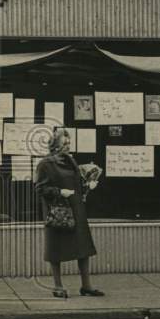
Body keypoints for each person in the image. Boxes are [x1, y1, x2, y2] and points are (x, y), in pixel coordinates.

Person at [34, 127, 103, 298]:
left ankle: (86, 286)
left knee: (83, 248)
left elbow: (76, 184)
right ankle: (58, 286)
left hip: (76, 209)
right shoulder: (45, 164)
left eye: (69, 142)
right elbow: (40, 188)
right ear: (55, 144)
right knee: (56, 250)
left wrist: (88, 185)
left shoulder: (71, 161)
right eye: (65, 143)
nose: (68, 145)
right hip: (58, 211)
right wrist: (59, 192)